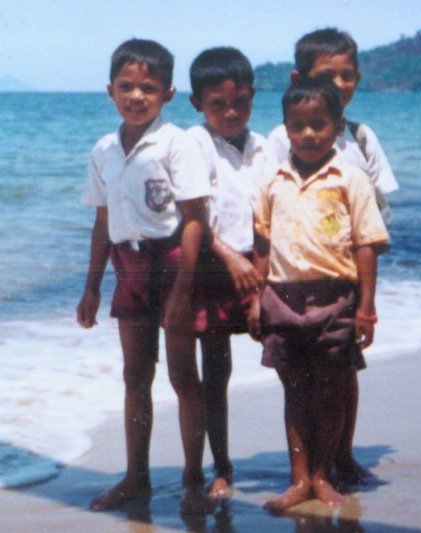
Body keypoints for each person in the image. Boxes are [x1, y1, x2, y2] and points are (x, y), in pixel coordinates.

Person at [76, 38, 210, 512]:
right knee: (136, 376)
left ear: (168, 93)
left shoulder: (177, 143)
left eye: (148, 88)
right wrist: (92, 286)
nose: (137, 96)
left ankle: (194, 479)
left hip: (173, 265)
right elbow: (101, 221)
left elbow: (195, 218)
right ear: (110, 90)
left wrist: (183, 289)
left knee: (182, 376)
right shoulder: (103, 150)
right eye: (127, 86)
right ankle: (137, 478)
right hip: (127, 269)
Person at [248, 77, 389, 513]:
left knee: (329, 391)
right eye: (298, 125)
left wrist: (365, 308)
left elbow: (367, 244)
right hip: (282, 299)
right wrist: (256, 300)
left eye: (319, 124)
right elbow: (262, 245)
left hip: (336, 300)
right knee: (294, 392)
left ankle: (324, 475)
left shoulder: (351, 180)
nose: (309, 134)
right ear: (285, 129)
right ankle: (299, 480)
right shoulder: (273, 181)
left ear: (337, 125)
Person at [267, 27, 398, 484]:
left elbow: (376, 220)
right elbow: (267, 210)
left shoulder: (361, 139)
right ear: (298, 77)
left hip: (345, 280)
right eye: (328, 75)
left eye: (348, 76)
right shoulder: (280, 141)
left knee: (343, 374)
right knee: (299, 379)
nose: (340, 85)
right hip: (291, 282)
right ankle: (311, 467)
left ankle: (340, 457)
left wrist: (367, 299)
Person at [185, 47, 268, 498]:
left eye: (241, 102)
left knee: (295, 364)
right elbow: (192, 213)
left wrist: (258, 278)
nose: (231, 112)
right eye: (218, 104)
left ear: (253, 96)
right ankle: (221, 467)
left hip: (265, 268)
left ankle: (313, 464)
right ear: (198, 104)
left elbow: (271, 217)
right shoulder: (192, 143)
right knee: (215, 375)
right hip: (213, 269)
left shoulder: (266, 146)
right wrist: (230, 258)